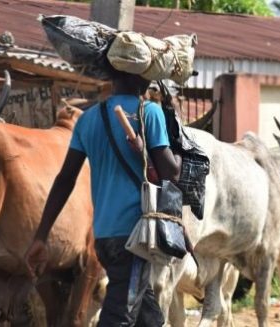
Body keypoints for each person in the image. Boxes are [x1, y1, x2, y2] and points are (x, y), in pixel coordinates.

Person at [24, 71, 181, 326]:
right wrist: (180, 157)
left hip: (104, 237)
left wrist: (41, 235)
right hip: (134, 238)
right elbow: (170, 173)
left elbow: (65, 179)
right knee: (120, 317)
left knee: (149, 317)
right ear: (144, 79)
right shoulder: (149, 112)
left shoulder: (87, 119)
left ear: (113, 77)